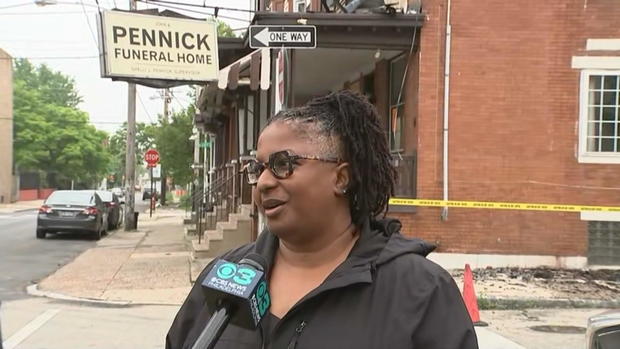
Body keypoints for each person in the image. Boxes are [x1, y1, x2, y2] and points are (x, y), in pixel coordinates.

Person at [166, 90, 478, 349]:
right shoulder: (224, 277)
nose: (263, 182)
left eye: (283, 164)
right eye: (258, 168)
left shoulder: (420, 291)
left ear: (341, 178)